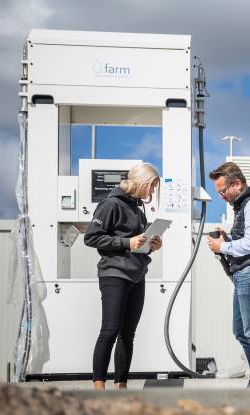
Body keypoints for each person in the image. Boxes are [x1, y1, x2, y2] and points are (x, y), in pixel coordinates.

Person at [84, 163, 163, 390]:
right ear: (140, 183)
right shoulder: (110, 205)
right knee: (109, 330)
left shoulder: (138, 212)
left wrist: (150, 245)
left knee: (128, 334)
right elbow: (91, 238)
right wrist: (127, 242)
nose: (152, 192)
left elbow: (137, 245)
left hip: (137, 277)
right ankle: (99, 387)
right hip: (114, 274)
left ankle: (121, 386)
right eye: (151, 187)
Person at [207, 162, 250, 386]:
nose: (221, 196)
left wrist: (223, 247)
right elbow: (247, 241)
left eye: (223, 191)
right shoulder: (244, 206)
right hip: (246, 273)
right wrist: (227, 239)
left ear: (237, 184)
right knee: (240, 331)